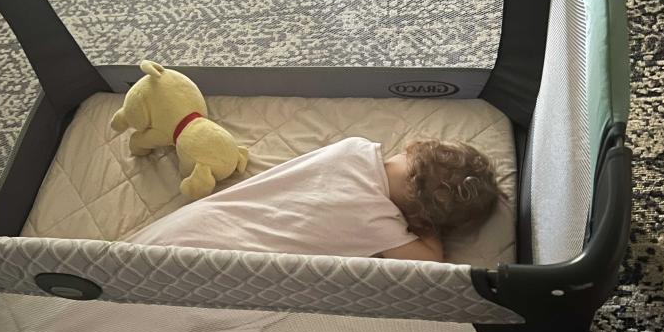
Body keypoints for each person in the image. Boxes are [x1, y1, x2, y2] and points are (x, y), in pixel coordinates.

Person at [125, 136, 499, 262]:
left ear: (413, 151)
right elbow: (432, 260)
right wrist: (426, 229)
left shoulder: (355, 149)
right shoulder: (383, 227)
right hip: (228, 241)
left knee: (138, 260)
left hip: (205, 222)